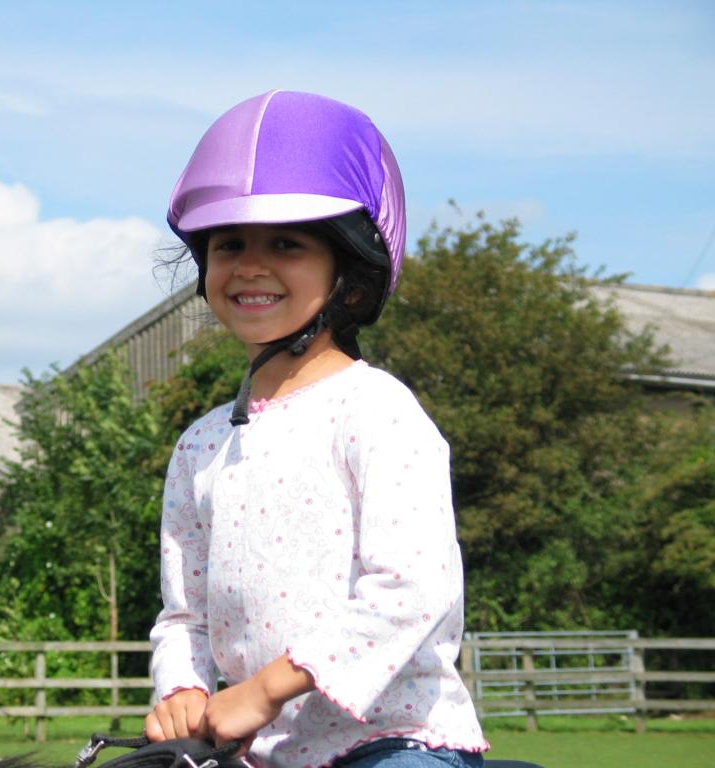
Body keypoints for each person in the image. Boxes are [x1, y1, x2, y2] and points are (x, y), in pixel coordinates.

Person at [144, 91, 490, 768]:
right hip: (263, 751)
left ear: (348, 271)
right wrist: (182, 686)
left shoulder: (378, 411)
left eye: (287, 244)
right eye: (229, 244)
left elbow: (413, 587)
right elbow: (184, 614)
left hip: (393, 739)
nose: (249, 264)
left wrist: (267, 688)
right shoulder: (200, 445)